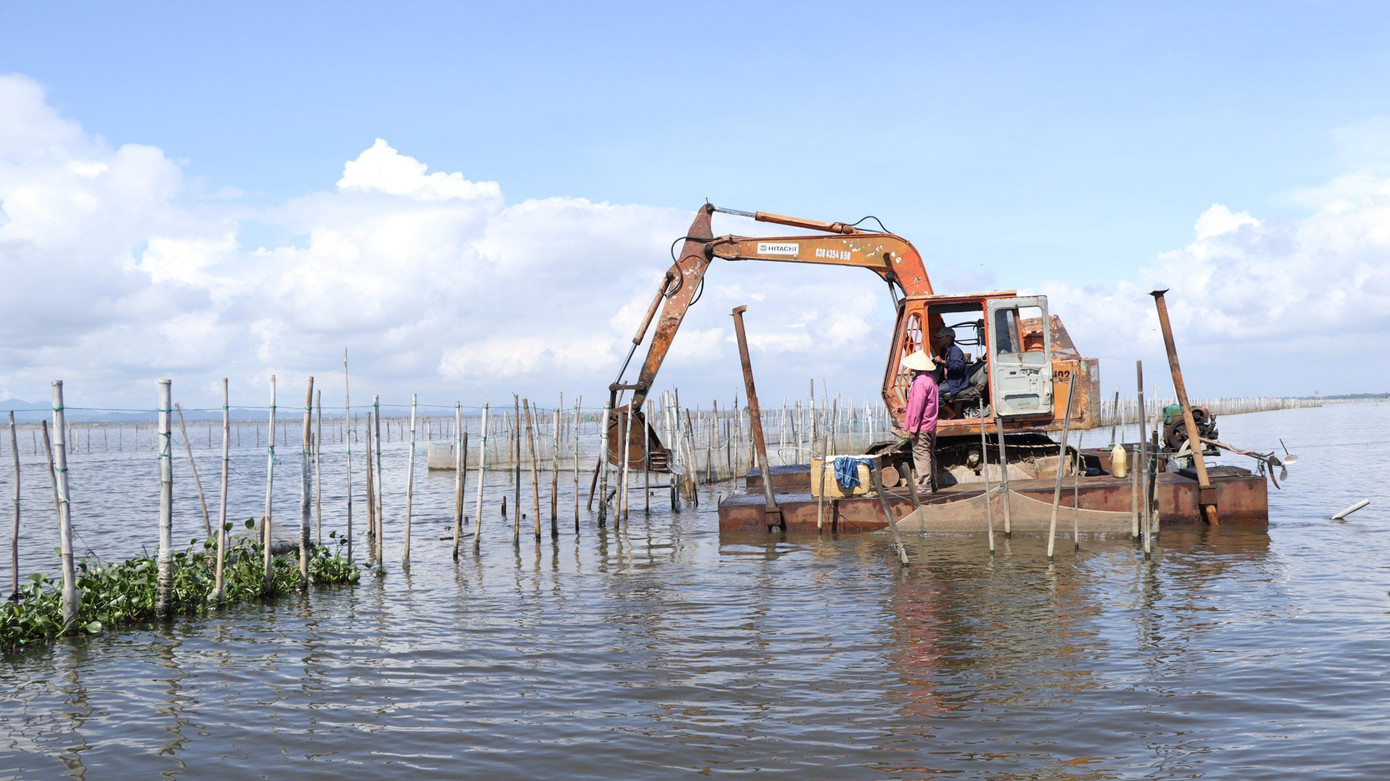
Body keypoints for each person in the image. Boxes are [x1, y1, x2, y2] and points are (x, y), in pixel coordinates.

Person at [902, 350, 939, 492]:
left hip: (922, 426)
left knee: (921, 454)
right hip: (930, 425)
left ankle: (925, 485)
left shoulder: (919, 382)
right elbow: (923, 403)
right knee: (929, 454)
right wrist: (905, 408)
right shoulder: (931, 380)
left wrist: (913, 428)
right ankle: (932, 484)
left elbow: (917, 407)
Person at [932, 327, 969, 400]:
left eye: (941, 337)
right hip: (948, 381)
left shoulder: (955, 350)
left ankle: (946, 408)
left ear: (949, 337)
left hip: (956, 384)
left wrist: (943, 361)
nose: (939, 340)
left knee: (935, 393)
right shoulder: (945, 351)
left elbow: (958, 367)